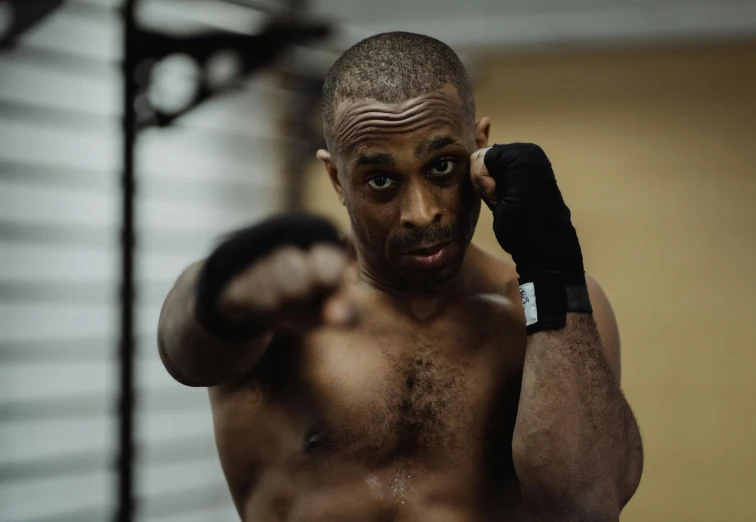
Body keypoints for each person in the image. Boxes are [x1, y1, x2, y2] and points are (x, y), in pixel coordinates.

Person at [158, 32, 643, 522]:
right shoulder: (285, 310)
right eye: (381, 180)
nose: (421, 213)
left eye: (442, 167)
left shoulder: (544, 309)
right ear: (336, 180)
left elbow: (586, 505)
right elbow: (187, 353)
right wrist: (219, 293)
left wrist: (552, 268)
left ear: (479, 146)